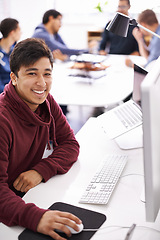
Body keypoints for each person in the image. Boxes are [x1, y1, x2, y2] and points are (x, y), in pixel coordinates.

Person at [0, 38, 81, 240]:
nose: (42, 83)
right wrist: (36, 218)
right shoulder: (2, 120)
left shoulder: (46, 101)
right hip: (8, 209)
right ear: (14, 77)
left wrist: (40, 170)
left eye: (47, 74)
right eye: (32, 73)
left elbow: (70, 144)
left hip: (28, 194)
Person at [0, 18, 21, 93]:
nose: (21, 33)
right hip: (5, 94)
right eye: (19, 30)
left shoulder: (15, 50)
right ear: (12, 32)